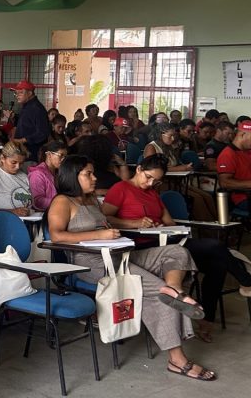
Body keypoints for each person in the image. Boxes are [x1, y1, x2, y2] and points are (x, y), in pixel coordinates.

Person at [48, 155, 215, 382]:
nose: (94, 177)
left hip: (120, 256)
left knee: (176, 252)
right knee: (158, 290)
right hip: (92, 265)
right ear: (72, 175)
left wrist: (125, 227)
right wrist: (100, 234)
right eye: (88, 173)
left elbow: (109, 223)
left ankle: (175, 290)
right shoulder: (62, 201)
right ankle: (177, 360)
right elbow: (57, 236)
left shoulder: (91, 201)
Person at [102, 154, 251, 343]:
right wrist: (133, 223)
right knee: (215, 246)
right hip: (143, 245)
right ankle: (246, 282)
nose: (150, 183)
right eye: (148, 177)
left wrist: (164, 227)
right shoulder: (121, 188)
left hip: (164, 240)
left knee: (217, 264)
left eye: (156, 180)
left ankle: (206, 321)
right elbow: (105, 219)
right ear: (138, 169)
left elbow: (168, 220)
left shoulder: (152, 192)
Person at [144, 123, 214, 220]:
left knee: (207, 196)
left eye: (174, 136)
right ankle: (208, 229)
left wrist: (184, 167)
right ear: (161, 135)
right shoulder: (151, 147)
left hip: (174, 181)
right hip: (160, 184)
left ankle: (216, 224)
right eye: (170, 136)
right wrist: (180, 168)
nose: (173, 139)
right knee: (197, 199)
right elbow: (152, 169)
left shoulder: (169, 147)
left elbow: (175, 164)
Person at [10, 80, 50, 162]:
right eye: (16, 93)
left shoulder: (36, 108)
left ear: (30, 93)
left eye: (20, 92)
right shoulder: (27, 106)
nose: (17, 95)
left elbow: (42, 133)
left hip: (32, 155)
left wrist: (22, 140)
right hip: (22, 153)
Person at [217, 120, 251, 216]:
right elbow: (224, 183)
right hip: (243, 197)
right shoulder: (228, 154)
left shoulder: (248, 151)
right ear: (242, 134)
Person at [28, 140, 67, 211]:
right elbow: (38, 201)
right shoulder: (37, 174)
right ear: (49, 155)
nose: (63, 160)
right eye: (61, 155)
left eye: (65, 157)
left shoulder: (59, 172)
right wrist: (62, 202)